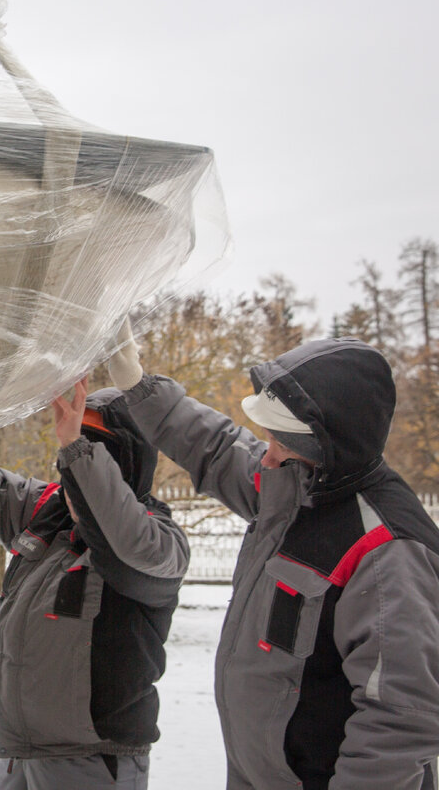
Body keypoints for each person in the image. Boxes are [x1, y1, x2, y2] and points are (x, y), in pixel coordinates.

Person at [107, 329, 439, 789]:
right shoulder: (293, 489)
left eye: (281, 444)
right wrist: (135, 382)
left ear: (324, 447)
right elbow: (216, 445)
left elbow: (402, 714)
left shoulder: (388, 548)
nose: (266, 457)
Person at [0, 378, 188, 790]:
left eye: (86, 458)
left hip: (92, 762)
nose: (71, 478)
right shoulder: (48, 508)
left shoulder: (160, 543)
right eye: (67, 459)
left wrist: (76, 451)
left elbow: (119, 531)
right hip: (19, 754)